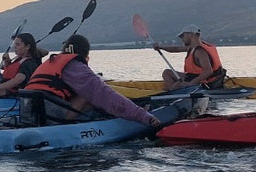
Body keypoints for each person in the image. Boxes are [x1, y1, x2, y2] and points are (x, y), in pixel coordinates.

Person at [20, 35, 162, 127]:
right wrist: (143, 116)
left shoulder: (52, 61)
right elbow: (105, 94)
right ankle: (126, 114)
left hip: (30, 114)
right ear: (84, 54)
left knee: (86, 98)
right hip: (51, 119)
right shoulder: (75, 66)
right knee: (89, 96)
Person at [152, 25, 226, 90]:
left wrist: (191, 83)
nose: (182, 38)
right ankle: (175, 89)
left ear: (190, 35)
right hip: (198, 77)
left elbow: (208, 72)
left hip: (206, 82)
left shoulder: (199, 51)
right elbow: (176, 49)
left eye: (182, 36)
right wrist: (160, 47)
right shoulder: (193, 47)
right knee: (167, 73)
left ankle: (174, 91)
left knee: (172, 80)